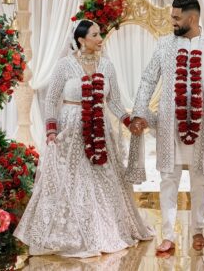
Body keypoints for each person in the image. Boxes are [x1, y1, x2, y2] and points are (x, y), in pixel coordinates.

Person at [14, 19, 153, 257]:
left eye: (100, 34)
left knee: (102, 180)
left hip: (100, 129)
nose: (100, 39)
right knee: (73, 181)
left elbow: (116, 102)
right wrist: (51, 129)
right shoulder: (64, 66)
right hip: (71, 131)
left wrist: (129, 122)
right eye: (96, 35)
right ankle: (73, 232)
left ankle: (104, 229)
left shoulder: (107, 66)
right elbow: (51, 99)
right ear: (81, 39)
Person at [127, 0, 204, 252]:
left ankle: (198, 231)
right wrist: (139, 112)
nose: (173, 22)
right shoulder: (165, 45)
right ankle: (168, 234)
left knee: (200, 181)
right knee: (168, 179)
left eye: (176, 18)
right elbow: (147, 80)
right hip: (171, 126)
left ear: (192, 18)